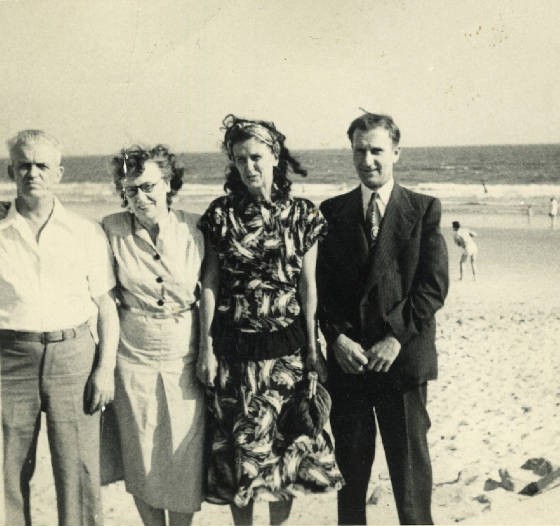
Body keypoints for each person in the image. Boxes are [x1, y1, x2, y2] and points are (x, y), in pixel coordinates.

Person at [197, 115, 343, 526]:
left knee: (286, 455)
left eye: (257, 157)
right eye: (241, 159)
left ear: (275, 157)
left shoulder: (302, 215)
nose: (250, 167)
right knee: (240, 456)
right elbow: (210, 283)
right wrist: (205, 348)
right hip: (234, 355)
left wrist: (314, 353)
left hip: (287, 356)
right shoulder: (220, 215)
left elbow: (308, 289)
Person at [317, 112, 449, 525]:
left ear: (396, 152)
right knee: (351, 481)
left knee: (410, 482)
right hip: (350, 364)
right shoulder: (332, 212)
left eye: (377, 150)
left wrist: (394, 338)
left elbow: (432, 287)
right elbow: (322, 291)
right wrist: (337, 339)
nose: (369, 160)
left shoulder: (423, 209)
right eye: (360, 151)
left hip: (403, 363)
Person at [0, 130, 118, 526]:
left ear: (59, 173)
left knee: (79, 469)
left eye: (42, 165)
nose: (33, 172)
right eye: (24, 165)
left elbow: (106, 307)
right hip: (10, 360)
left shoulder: (86, 232)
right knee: (10, 473)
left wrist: (104, 369)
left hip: (74, 358)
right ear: (11, 169)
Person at [101, 145, 205, 526]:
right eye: (130, 190)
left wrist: (210, 350)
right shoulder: (111, 230)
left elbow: (211, 293)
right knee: (140, 454)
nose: (140, 197)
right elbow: (105, 299)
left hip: (185, 354)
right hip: (132, 356)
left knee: (184, 456)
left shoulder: (197, 228)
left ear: (169, 183)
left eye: (148, 186)